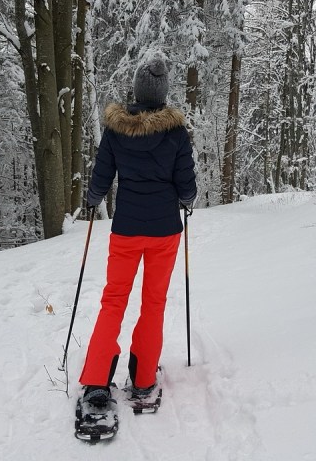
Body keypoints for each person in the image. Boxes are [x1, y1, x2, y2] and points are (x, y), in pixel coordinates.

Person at [79, 53, 197, 408]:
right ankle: (144, 377)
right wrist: (187, 199)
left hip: (127, 228)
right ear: (162, 93)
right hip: (164, 231)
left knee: (113, 300)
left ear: (136, 90)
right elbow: (186, 183)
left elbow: (102, 175)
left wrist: (92, 198)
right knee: (154, 302)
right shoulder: (175, 133)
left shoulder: (117, 130)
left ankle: (97, 379)